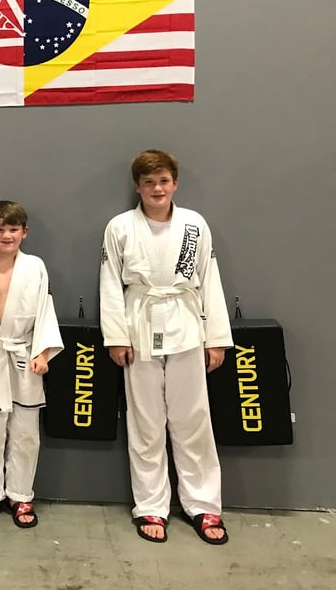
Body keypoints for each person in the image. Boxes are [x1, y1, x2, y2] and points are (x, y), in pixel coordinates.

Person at [99, 150, 233, 545]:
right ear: (137, 187)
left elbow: (210, 278)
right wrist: (116, 336)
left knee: (193, 420)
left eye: (163, 181)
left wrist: (216, 338)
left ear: (175, 183)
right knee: (146, 424)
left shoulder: (194, 224)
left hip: (187, 325)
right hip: (138, 325)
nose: (157, 189)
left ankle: (203, 504)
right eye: (149, 182)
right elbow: (110, 282)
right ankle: (151, 506)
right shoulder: (120, 227)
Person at [0, 200, 64, 529]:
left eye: (13, 229)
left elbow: (45, 308)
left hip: (24, 353)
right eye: (0, 229)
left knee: (25, 432)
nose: (7, 235)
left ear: (24, 232)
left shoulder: (36, 267)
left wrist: (42, 353)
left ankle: (20, 495)